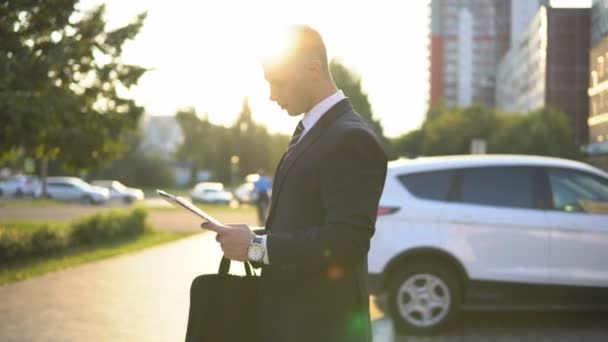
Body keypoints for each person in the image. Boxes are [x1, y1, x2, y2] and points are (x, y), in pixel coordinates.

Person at [201, 25, 387, 342]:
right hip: (293, 322)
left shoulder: (351, 138)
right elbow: (306, 221)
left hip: (321, 328)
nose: (272, 95)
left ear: (313, 69)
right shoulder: (313, 130)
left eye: (278, 83)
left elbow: (347, 240)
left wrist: (257, 248)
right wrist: (249, 238)